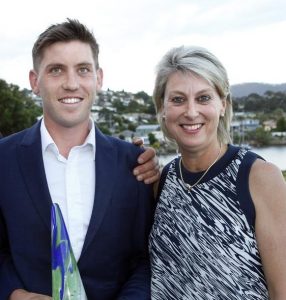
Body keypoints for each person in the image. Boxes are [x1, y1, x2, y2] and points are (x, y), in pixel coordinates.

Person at [0, 19, 159, 300]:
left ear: (98, 78)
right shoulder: (4, 159)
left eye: (82, 69)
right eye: (56, 70)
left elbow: (143, 258)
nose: (71, 83)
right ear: (35, 82)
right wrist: (16, 295)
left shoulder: (135, 164)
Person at [149, 45, 286, 299]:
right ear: (163, 109)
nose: (191, 112)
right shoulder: (162, 181)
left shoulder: (259, 178)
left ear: (222, 104)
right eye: (178, 99)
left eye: (203, 98)